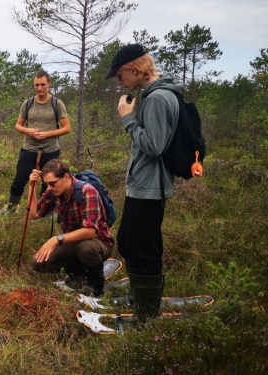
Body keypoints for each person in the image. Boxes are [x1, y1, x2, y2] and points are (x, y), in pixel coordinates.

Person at [105, 44, 181, 321]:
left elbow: (154, 145)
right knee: (128, 241)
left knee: (143, 248)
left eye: (119, 74)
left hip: (151, 186)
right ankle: (141, 296)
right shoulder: (153, 94)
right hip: (143, 184)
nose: (119, 80)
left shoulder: (159, 98)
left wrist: (127, 119)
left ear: (133, 68)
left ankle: (146, 315)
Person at [27, 159, 114, 296]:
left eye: (52, 183)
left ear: (66, 177)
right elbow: (33, 214)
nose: (49, 187)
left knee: (85, 248)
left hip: (98, 243)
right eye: (46, 184)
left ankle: (97, 285)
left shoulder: (87, 191)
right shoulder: (54, 191)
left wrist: (57, 239)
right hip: (72, 242)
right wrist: (31, 187)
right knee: (38, 262)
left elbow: (90, 232)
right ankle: (79, 272)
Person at [0, 71, 71, 216]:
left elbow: (67, 128)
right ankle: (11, 207)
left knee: (48, 182)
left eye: (43, 84)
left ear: (49, 84)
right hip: (29, 148)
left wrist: (47, 134)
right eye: (36, 85)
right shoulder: (28, 103)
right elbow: (18, 126)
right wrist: (28, 131)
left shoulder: (57, 104)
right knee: (20, 179)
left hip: (50, 149)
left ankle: (46, 210)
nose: (39, 88)